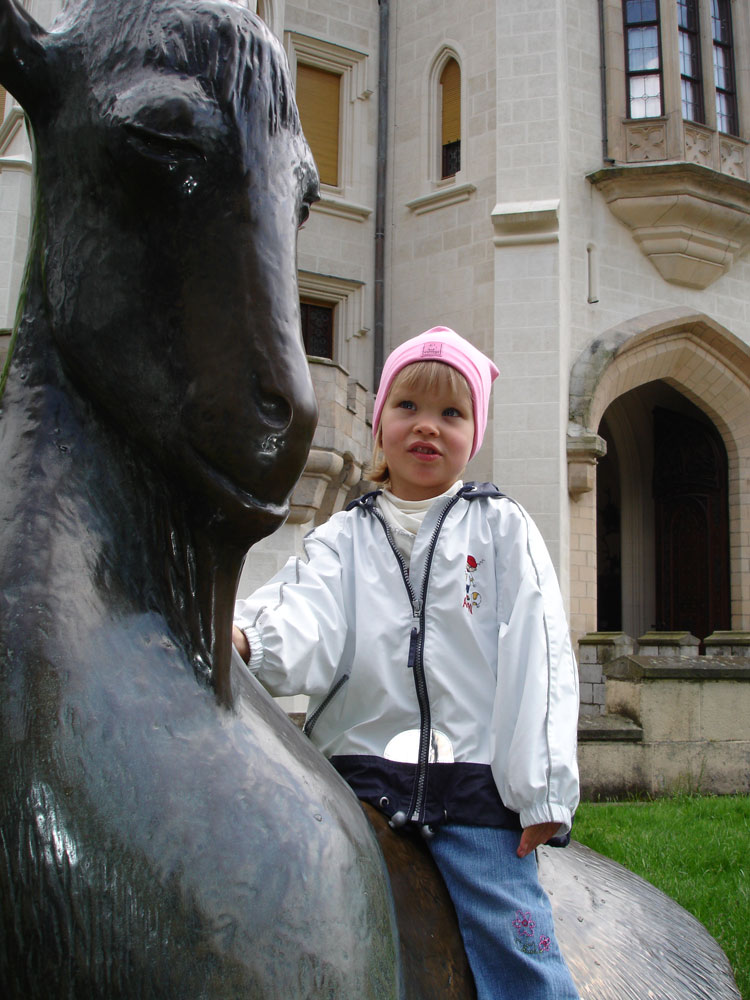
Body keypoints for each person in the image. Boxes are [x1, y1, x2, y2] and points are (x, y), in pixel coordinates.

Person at [233, 326, 580, 999]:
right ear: (380, 424)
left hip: (474, 792)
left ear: (474, 433)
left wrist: (540, 789)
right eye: (408, 407)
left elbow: (540, 654)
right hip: (356, 779)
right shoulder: (345, 536)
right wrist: (249, 637)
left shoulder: (501, 526)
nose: (428, 427)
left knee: (518, 947)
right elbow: (307, 614)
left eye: (452, 413)